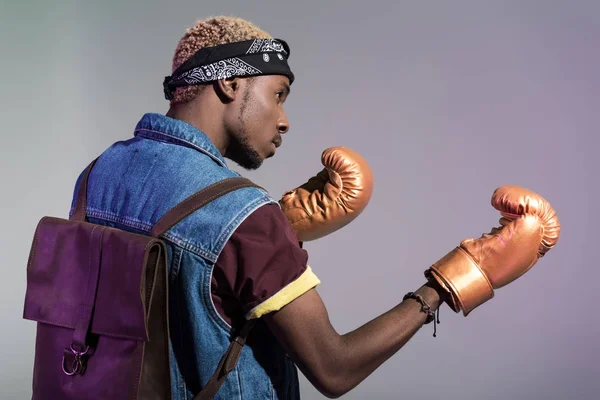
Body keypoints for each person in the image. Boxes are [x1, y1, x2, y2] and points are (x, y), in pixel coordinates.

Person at [70, 16, 561, 400]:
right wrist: (460, 276)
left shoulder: (98, 174)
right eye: (278, 95)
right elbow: (335, 368)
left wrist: (281, 230)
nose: (284, 121)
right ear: (229, 84)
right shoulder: (244, 215)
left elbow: (167, 294)